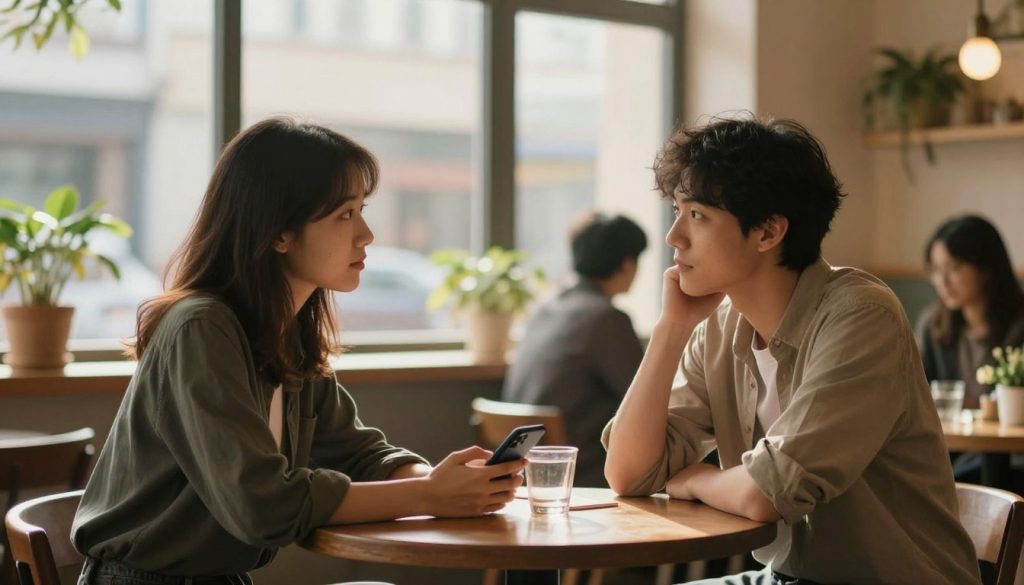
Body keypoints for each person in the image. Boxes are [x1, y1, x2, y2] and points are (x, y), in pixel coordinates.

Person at [71, 118, 525, 585]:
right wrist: (428, 496)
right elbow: (261, 506)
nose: (366, 233)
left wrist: (437, 480)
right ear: (278, 233)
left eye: (361, 210)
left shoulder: (283, 333)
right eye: (344, 215)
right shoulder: (201, 327)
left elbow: (356, 451)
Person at [602, 115, 981, 584]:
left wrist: (696, 479)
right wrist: (671, 329)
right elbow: (628, 474)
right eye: (676, 211)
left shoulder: (861, 315)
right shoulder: (719, 327)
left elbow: (767, 492)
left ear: (767, 232)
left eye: (697, 215)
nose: (673, 236)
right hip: (787, 578)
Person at [502, 211, 647, 488]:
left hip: (529, 474)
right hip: (581, 474)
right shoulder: (606, 318)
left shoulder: (545, 309)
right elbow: (647, 397)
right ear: (627, 264)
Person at [917, 214, 1024, 409]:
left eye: (955, 268)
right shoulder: (932, 326)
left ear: (985, 268)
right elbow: (917, 395)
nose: (943, 282)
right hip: (949, 438)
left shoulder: (1019, 325)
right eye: (936, 270)